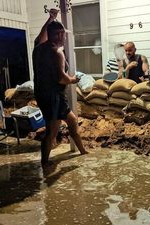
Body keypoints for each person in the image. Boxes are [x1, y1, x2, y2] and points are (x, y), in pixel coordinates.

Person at [33, 14, 88, 168]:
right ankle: (44, 163)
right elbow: (61, 79)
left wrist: (50, 19)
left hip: (43, 93)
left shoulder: (38, 48)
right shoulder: (57, 52)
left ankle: (83, 152)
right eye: (62, 34)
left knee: (71, 120)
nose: (64, 37)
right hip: (53, 96)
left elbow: (40, 35)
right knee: (52, 130)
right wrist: (73, 79)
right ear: (57, 35)